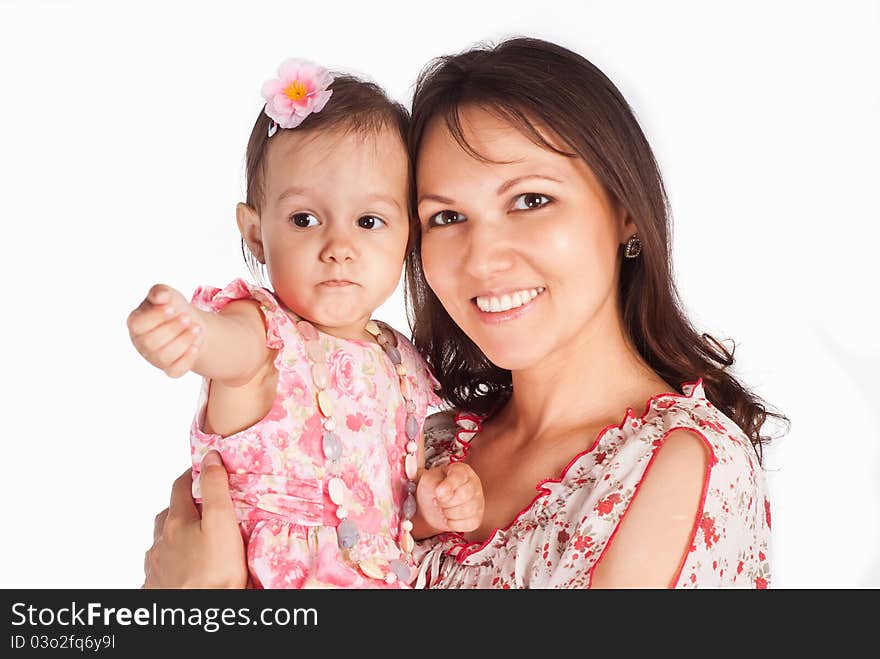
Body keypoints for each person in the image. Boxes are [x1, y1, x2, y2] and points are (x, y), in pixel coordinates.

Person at [144, 38, 787, 589]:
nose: (483, 257)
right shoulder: (434, 442)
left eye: (531, 199)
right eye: (446, 217)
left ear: (624, 210)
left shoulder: (678, 459)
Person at [131, 58, 484, 589]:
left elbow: (389, 517)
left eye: (368, 222)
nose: (339, 248)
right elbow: (230, 350)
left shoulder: (403, 361)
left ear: (408, 236)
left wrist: (432, 510)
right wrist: (189, 331)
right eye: (304, 219)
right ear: (255, 233)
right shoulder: (264, 330)